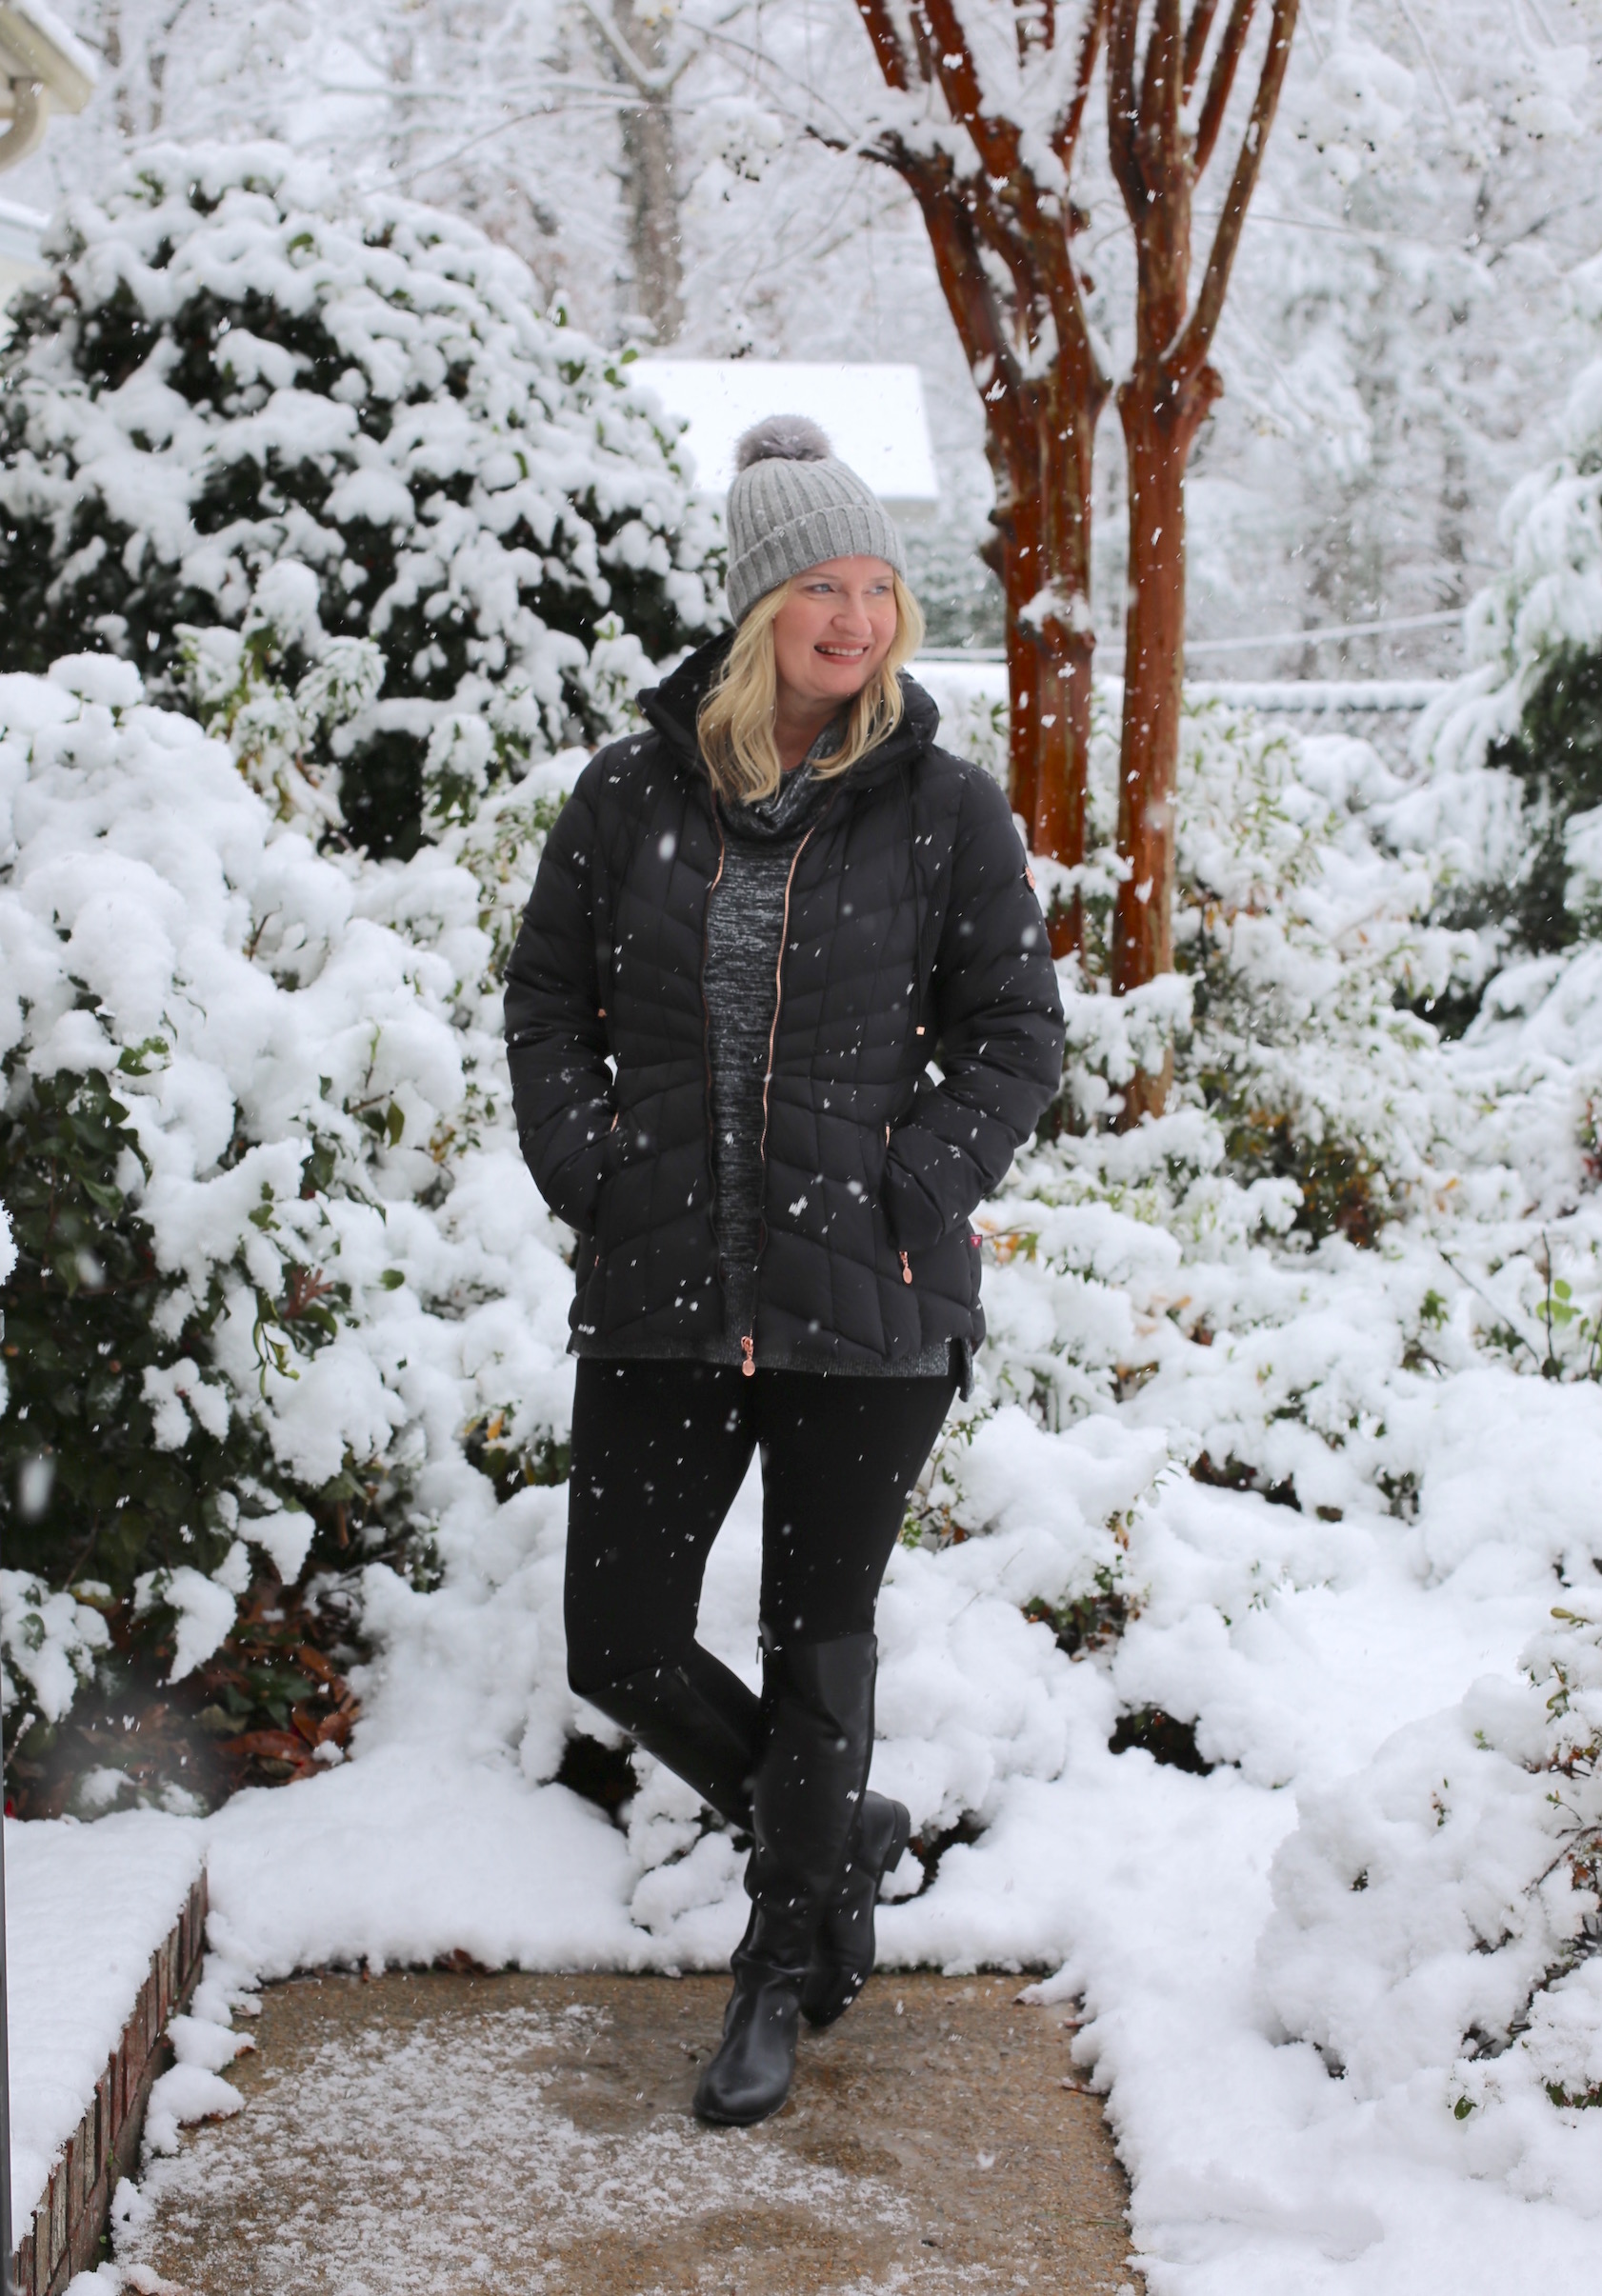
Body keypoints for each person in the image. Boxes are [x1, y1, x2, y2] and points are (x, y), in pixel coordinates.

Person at [504, 415, 1065, 2126]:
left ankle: (776, 1969)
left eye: (879, 585)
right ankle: (830, 1850)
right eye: (821, 587)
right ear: (757, 610)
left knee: (816, 1640)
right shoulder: (630, 795)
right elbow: (543, 1003)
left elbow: (1013, 1034)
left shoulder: (942, 807)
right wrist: (595, 1173)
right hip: (668, 1282)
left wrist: (917, 1187)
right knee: (620, 1638)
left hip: (869, 1298)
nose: (857, 618)